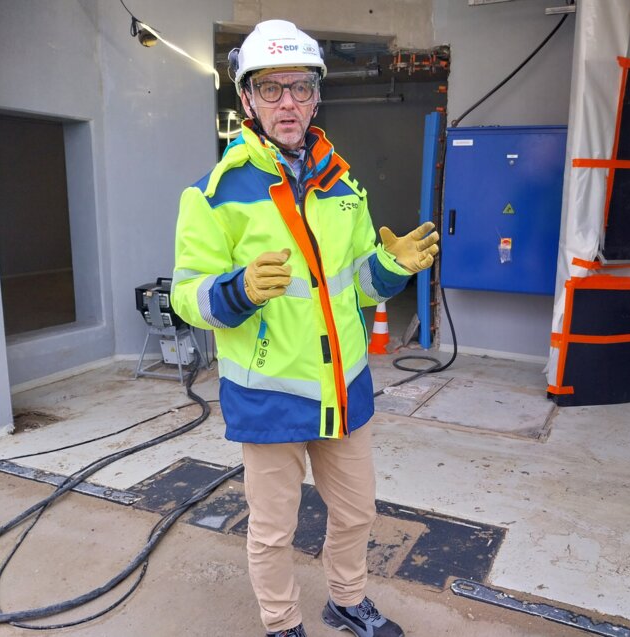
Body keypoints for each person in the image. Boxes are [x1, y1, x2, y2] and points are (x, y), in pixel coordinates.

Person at [171, 19, 438, 637]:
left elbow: (358, 285)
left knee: (357, 512)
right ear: (248, 100)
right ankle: (281, 622)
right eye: (271, 88)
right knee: (272, 530)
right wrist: (235, 290)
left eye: (299, 87)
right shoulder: (213, 195)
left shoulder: (344, 185)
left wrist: (392, 267)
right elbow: (186, 296)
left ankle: (346, 600)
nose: (287, 102)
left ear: (317, 96)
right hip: (270, 396)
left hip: (343, 388)